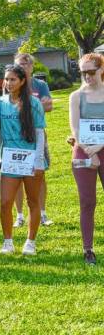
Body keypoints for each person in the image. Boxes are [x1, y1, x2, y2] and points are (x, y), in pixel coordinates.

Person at [0, 64, 46, 255]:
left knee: (33, 201)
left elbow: (40, 133)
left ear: (23, 81)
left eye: (13, 79)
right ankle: (8, 242)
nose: (9, 83)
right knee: (5, 202)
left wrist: (39, 161)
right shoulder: (0, 103)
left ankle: (30, 242)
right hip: (10, 160)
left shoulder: (34, 104)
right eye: (6, 79)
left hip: (31, 158)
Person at [69, 53, 104, 265]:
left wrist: (99, 149)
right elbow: (75, 127)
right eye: (83, 73)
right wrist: (89, 151)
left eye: (91, 72)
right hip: (83, 151)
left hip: (101, 148)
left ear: (101, 70)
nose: (87, 77)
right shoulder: (76, 96)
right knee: (87, 201)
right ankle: (88, 249)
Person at [13, 53, 54, 227]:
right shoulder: (12, 82)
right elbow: (12, 107)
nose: (23, 66)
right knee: (17, 174)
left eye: (26, 63)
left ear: (32, 66)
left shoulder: (40, 85)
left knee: (40, 173)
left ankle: (43, 213)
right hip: (15, 135)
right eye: (19, 64)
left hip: (37, 133)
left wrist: (32, 106)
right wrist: (37, 105)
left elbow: (49, 106)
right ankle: (20, 215)